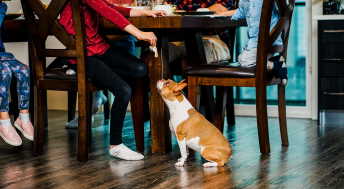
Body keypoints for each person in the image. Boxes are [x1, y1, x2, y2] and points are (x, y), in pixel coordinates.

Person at [58, 0, 165, 160]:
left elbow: (110, 7)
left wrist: (143, 12)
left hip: (99, 47)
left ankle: (99, 84)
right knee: (123, 90)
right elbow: (107, 12)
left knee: (139, 68)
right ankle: (115, 145)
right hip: (83, 54)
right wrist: (139, 33)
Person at [0, 2, 34, 146]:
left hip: (2, 55)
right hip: (3, 59)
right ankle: (3, 120)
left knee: (24, 70)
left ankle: (23, 117)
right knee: (4, 71)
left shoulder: (1, 7)